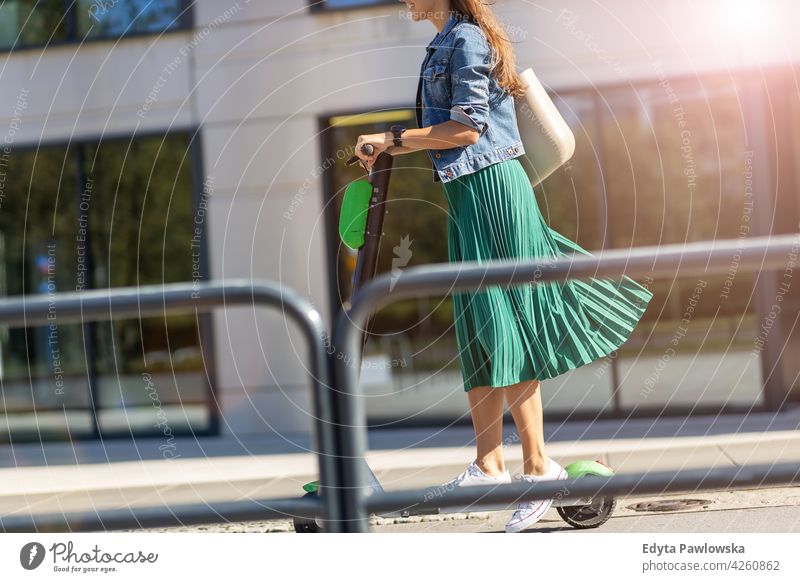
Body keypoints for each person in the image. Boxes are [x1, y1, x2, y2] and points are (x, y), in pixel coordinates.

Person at [354, 0, 653, 533]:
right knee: (476, 322)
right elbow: (449, 129)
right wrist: (390, 148)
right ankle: (490, 463)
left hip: (494, 190)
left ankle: (539, 468)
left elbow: (467, 128)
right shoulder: (440, 43)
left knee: (503, 319)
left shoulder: (466, 40)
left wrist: (393, 139)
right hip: (468, 196)